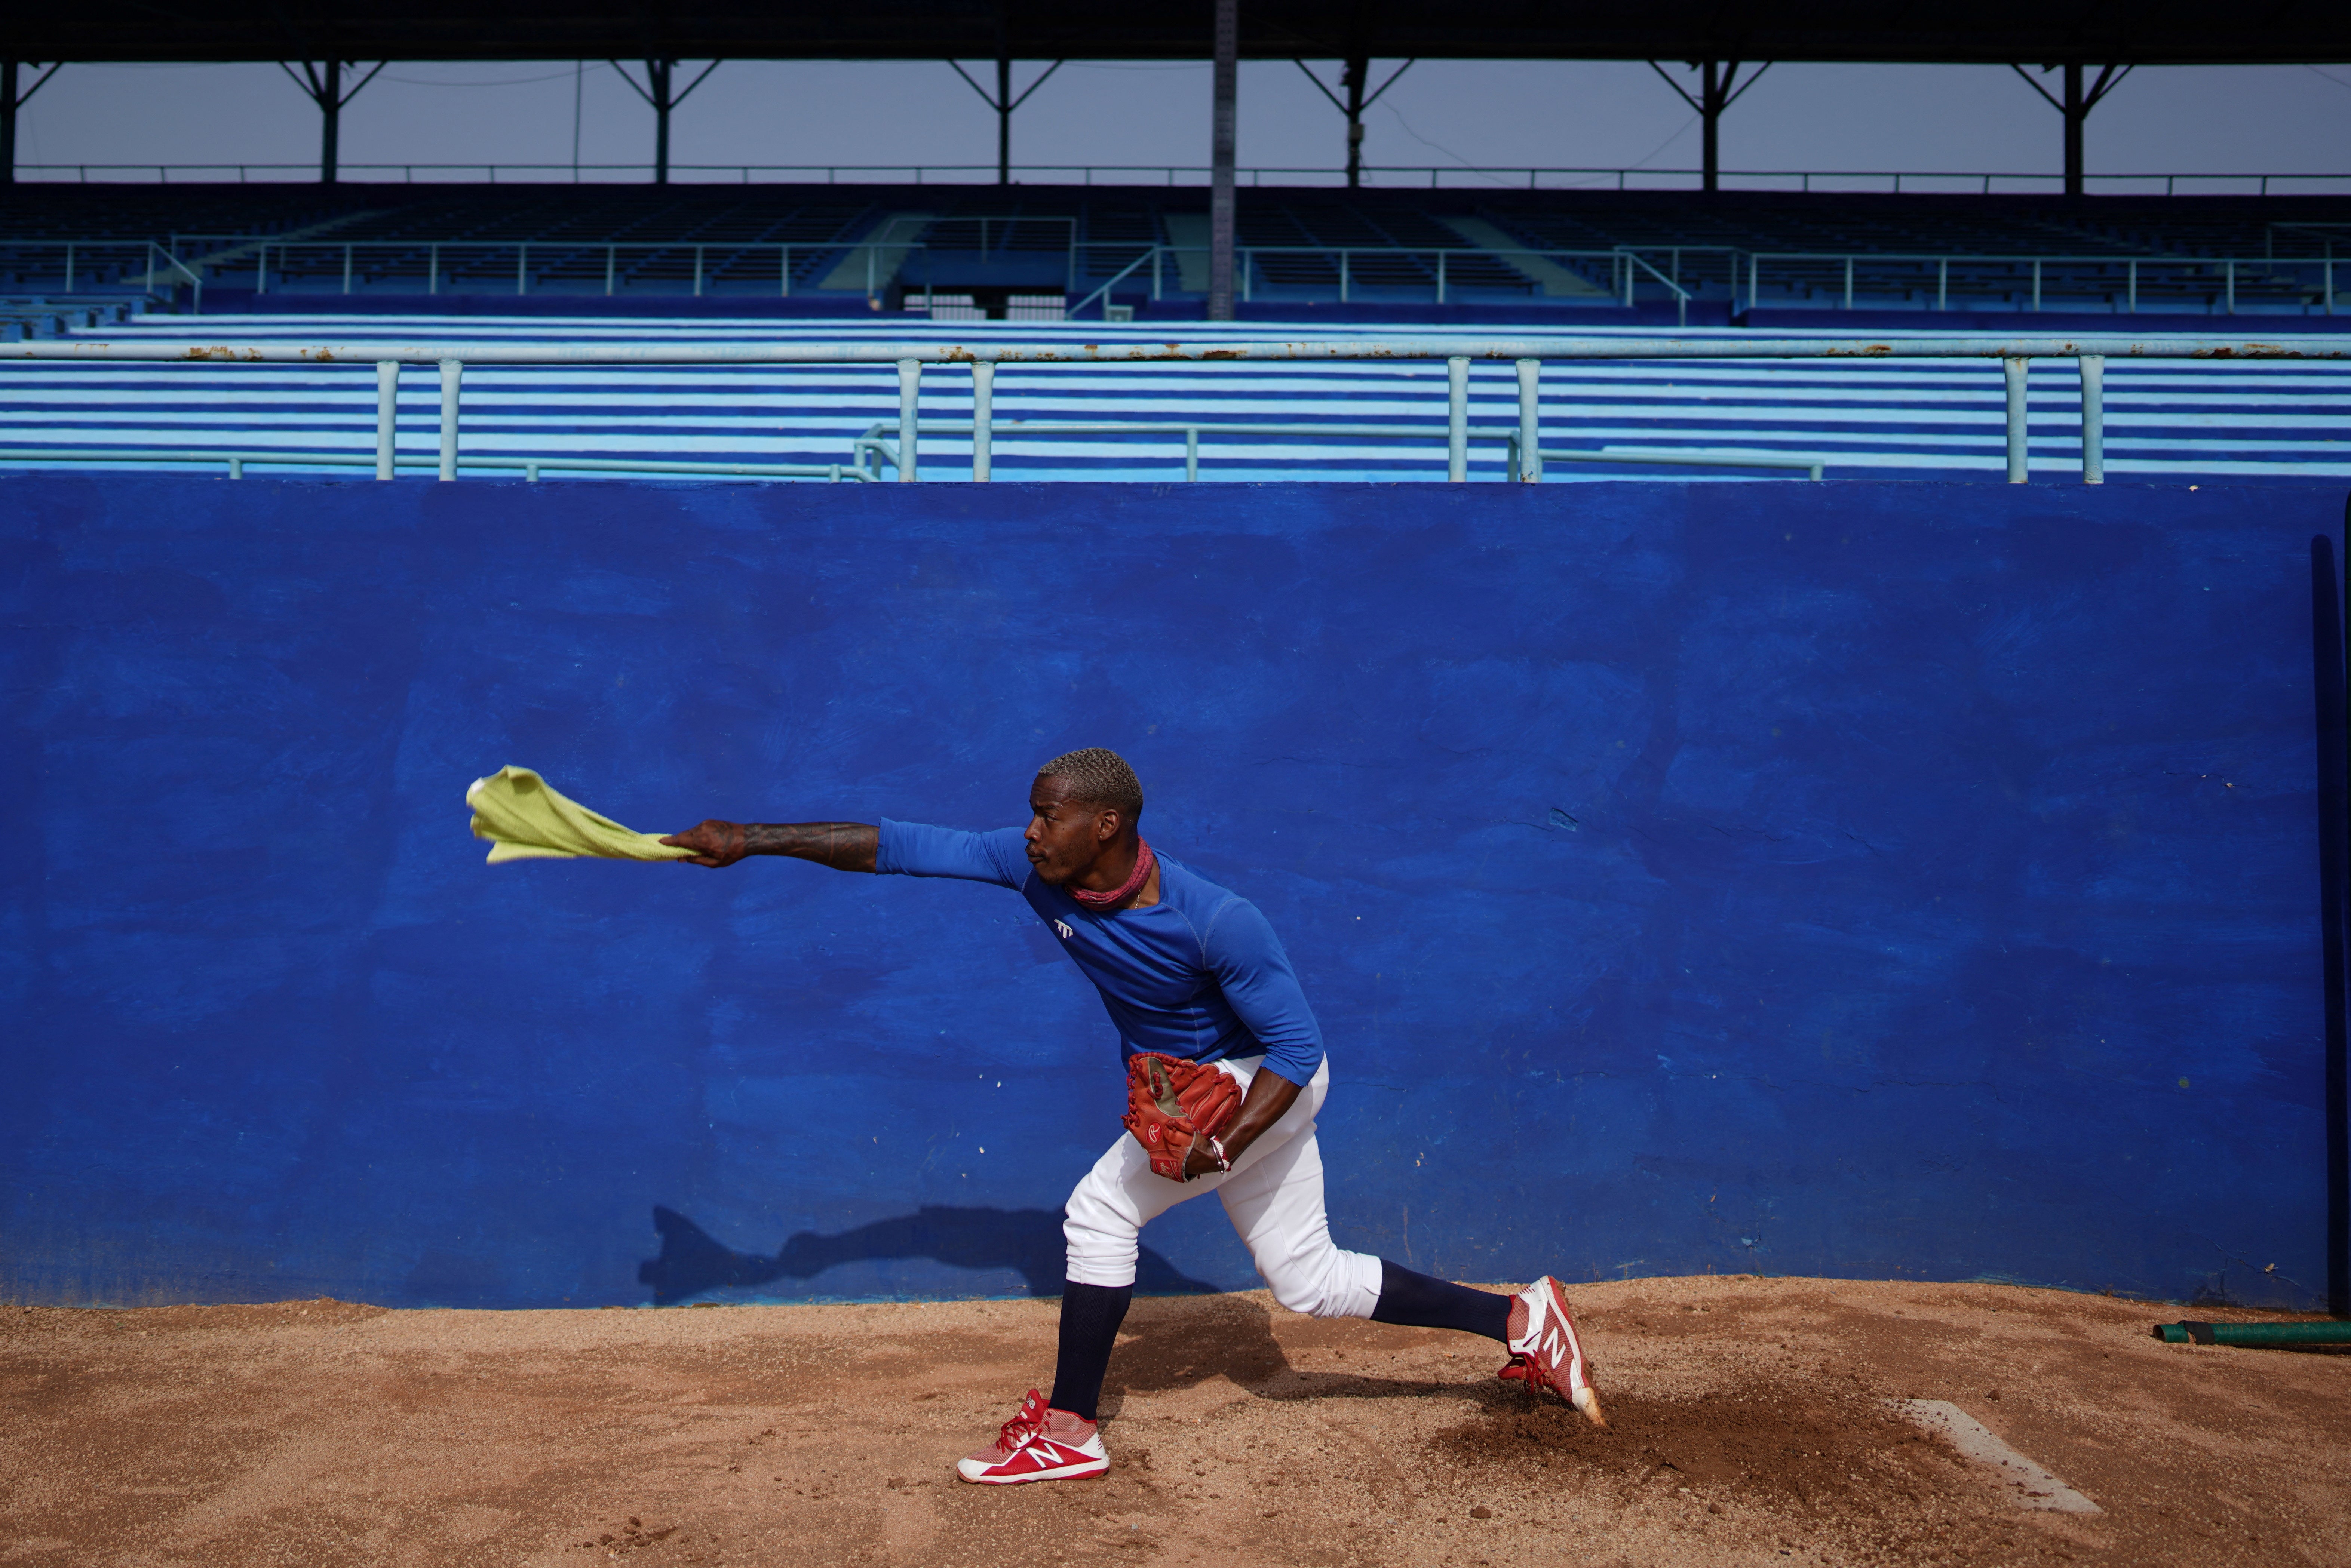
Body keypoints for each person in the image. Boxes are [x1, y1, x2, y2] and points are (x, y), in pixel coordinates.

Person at [661, 747, 1605, 1486]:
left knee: (1098, 1214)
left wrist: (1221, 1140)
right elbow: (893, 847)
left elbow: (1300, 1054)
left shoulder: (1215, 919)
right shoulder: (1030, 868)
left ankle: (1071, 1432)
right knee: (1309, 1282)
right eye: (1032, 813)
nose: (1030, 830)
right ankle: (1523, 1320)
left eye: (1048, 814)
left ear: (1105, 823)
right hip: (1200, 1093)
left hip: (1258, 1085)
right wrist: (748, 836)